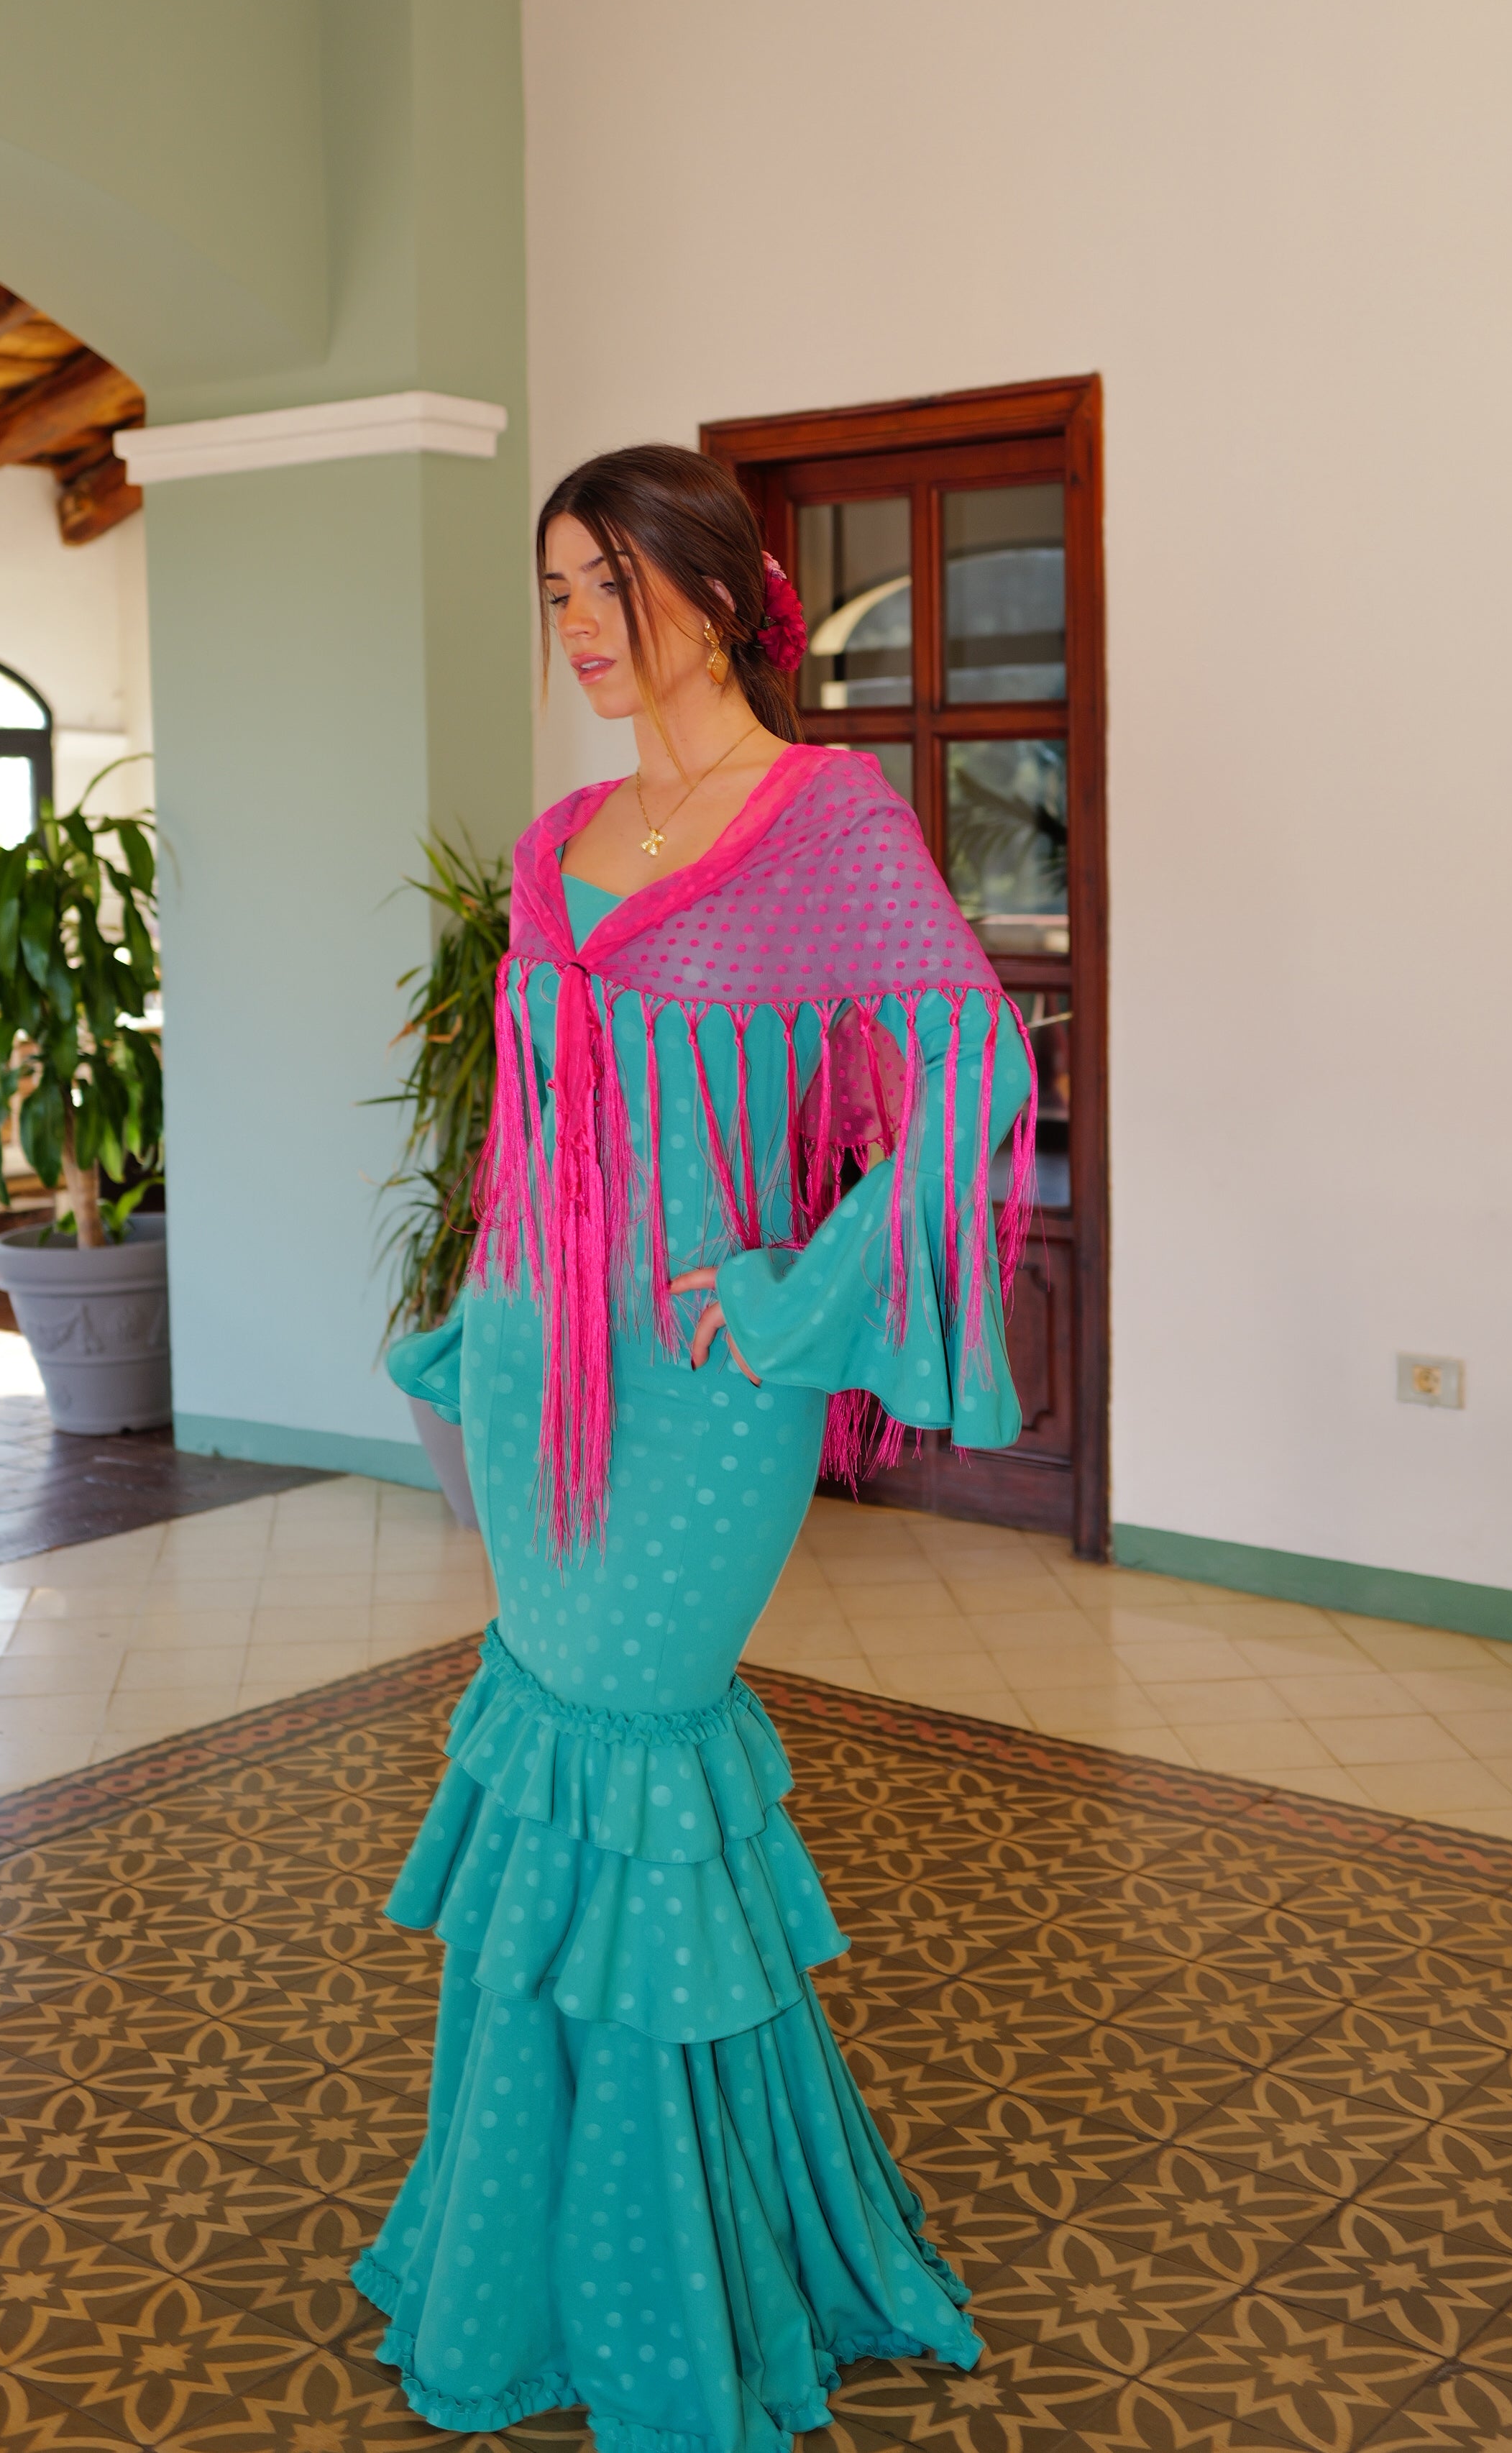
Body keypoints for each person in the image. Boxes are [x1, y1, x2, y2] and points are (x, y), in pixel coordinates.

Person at [354, 444, 1038, 2453]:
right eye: (553, 591)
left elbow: (973, 1070)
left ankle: (690, 2288)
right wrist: (473, 1322)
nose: (574, 627)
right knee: (557, 1779)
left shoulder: (828, 822)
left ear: (720, 591)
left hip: (703, 1397)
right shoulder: (567, 832)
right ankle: (526, 2258)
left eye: (604, 587)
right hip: (532, 1364)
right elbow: (531, 1131)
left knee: (639, 1768)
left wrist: (806, 1297)